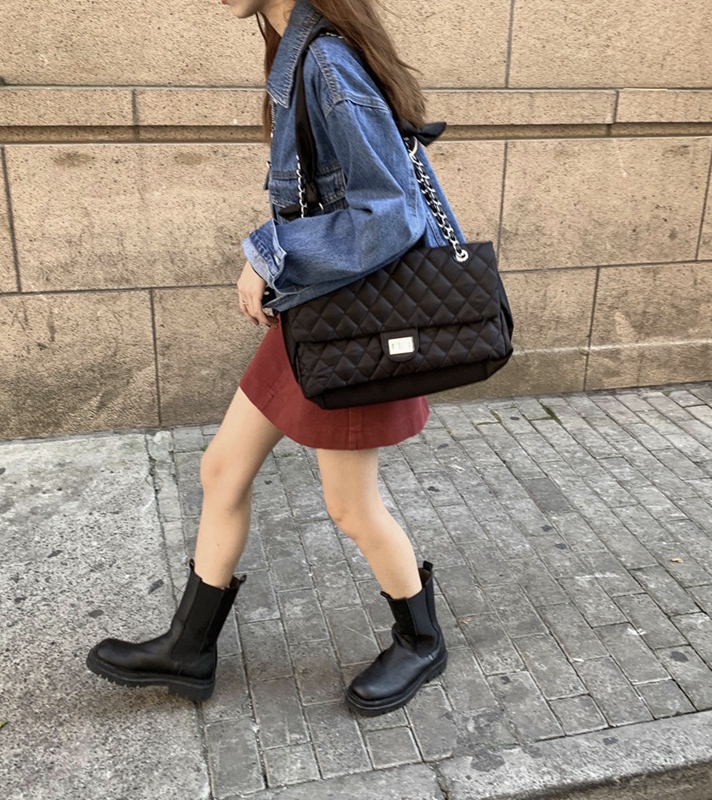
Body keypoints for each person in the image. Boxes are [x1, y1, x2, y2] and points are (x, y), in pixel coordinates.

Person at [86, 0, 467, 717]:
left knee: (351, 507)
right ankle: (189, 649)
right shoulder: (302, 54)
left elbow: (391, 214)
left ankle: (421, 641)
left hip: (353, 331)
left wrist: (271, 252)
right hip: (315, 318)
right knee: (222, 469)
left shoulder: (327, 63)